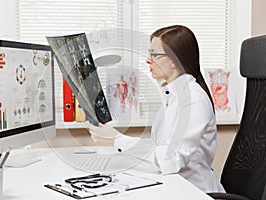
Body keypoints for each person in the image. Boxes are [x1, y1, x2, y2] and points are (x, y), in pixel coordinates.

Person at [88, 25, 225, 193]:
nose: (148, 60)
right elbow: (161, 149)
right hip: (174, 186)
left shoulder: (194, 100)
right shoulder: (173, 96)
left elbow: (171, 159)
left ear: (174, 60)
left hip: (195, 191)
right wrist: (117, 141)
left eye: (155, 55)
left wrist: (118, 140)